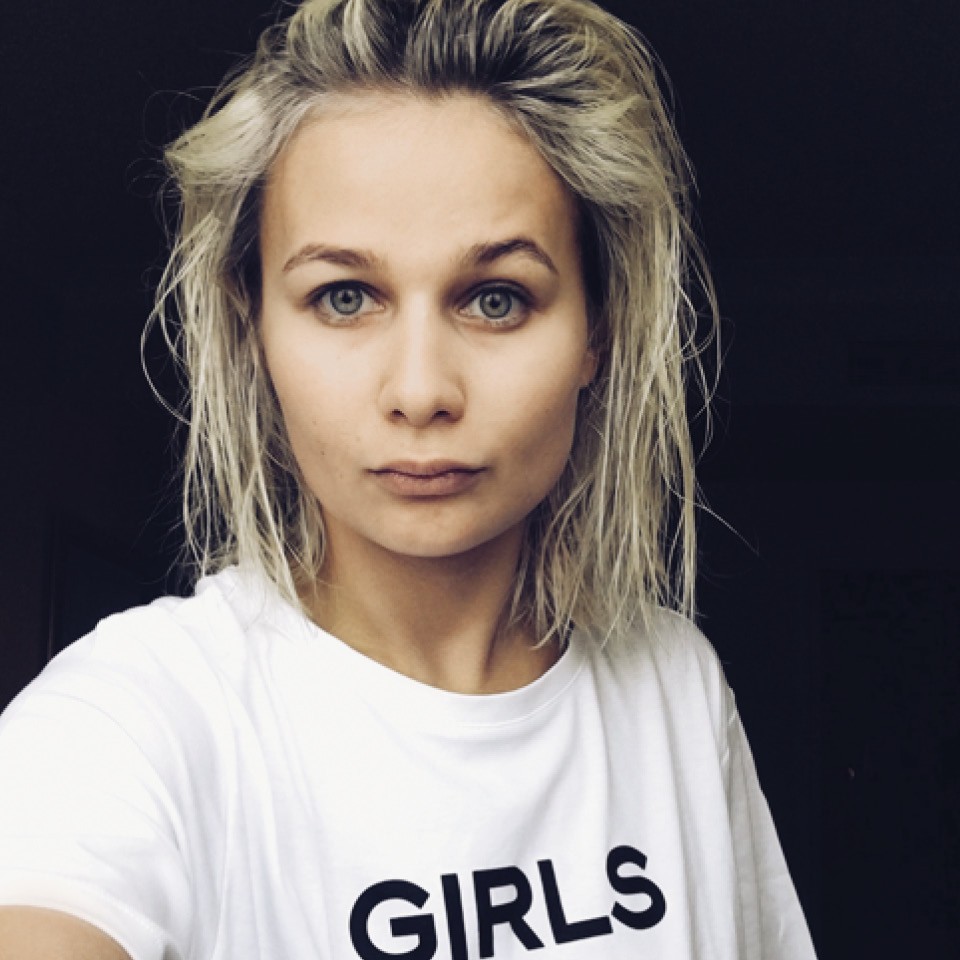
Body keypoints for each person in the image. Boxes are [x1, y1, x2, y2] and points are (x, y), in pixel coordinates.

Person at [0, 0, 817, 957]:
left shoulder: (673, 683)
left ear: (595, 331)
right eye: (344, 297)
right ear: (253, 328)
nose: (421, 390)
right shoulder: (133, 719)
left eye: (496, 299)